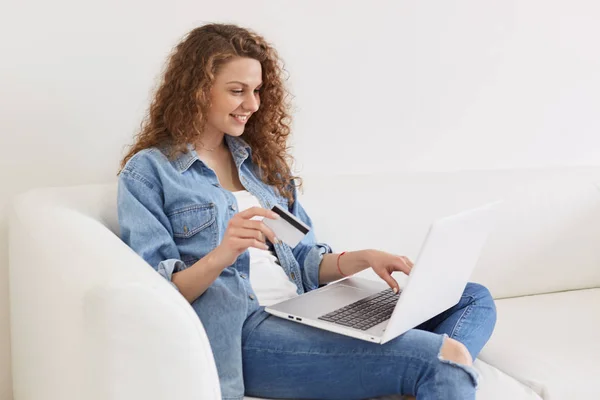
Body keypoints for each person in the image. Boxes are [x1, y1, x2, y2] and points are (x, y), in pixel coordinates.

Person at [117, 23, 497, 400]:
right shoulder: (150, 173)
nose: (252, 104)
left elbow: (304, 258)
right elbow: (160, 295)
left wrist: (360, 259)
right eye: (237, 91)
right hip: (245, 332)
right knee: (443, 359)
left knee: (470, 297)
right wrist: (222, 255)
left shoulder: (261, 168)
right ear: (197, 92)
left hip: (302, 308)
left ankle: (405, 374)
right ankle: (424, 372)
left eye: (257, 91)